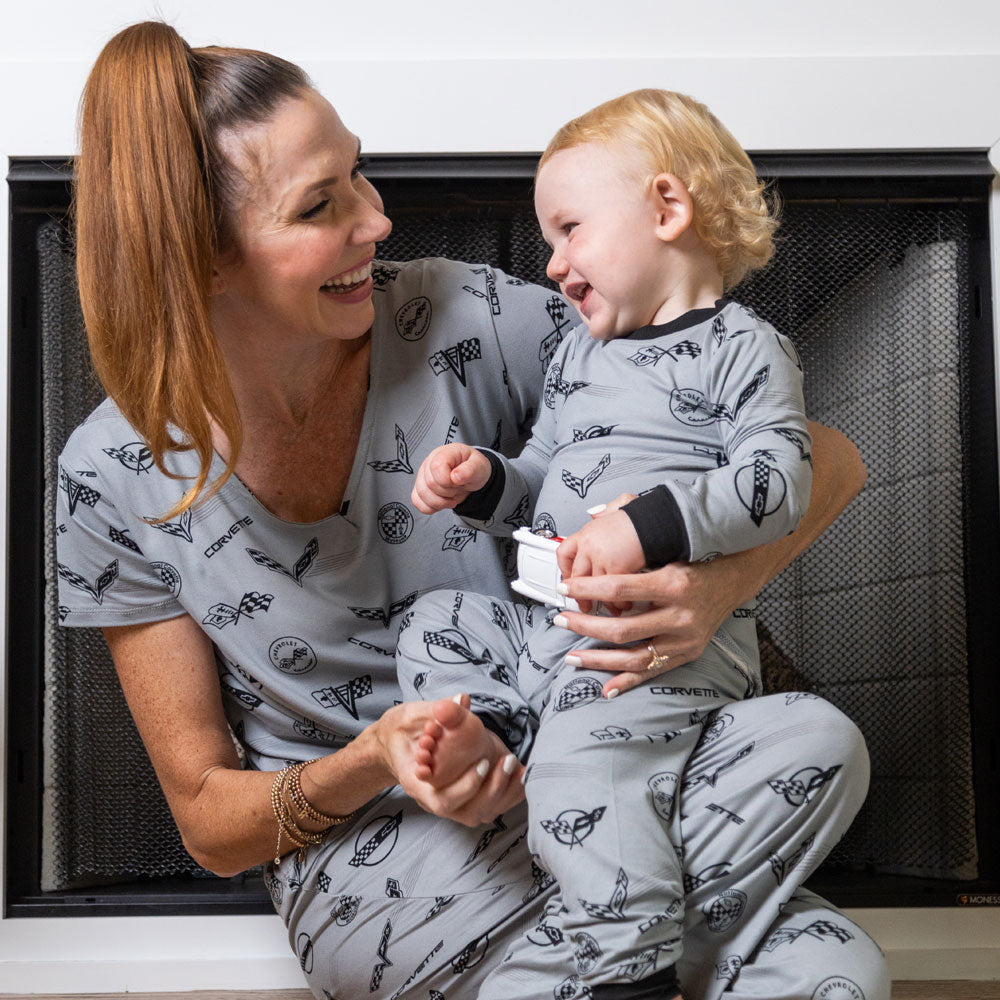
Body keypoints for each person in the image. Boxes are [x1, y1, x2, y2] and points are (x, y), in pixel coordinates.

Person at [55, 20, 890, 1000]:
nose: (375, 220)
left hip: (595, 760)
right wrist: (380, 757)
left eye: (357, 173)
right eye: (321, 204)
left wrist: (715, 587)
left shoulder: (466, 319)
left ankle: (609, 955)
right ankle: (627, 948)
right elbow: (210, 819)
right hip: (393, 862)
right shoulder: (110, 473)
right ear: (200, 260)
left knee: (836, 934)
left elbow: (820, 454)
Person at [396, 88, 814, 999]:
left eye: (570, 230)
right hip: (546, 627)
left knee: (592, 756)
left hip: (645, 644)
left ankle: (631, 972)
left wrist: (649, 523)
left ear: (667, 210)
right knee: (438, 618)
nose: (553, 265)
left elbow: (781, 481)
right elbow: (547, 476)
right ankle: (501, 734)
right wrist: (487, 480)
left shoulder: (746, 350)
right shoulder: (580, 357)